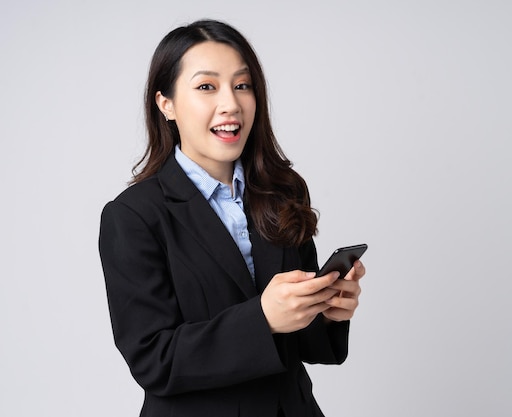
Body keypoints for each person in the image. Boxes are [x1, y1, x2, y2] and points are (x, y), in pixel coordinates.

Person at [98, 18, 365, 417]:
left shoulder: (283, 191)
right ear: (165, 103)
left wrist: (326, 311)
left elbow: (301, 345)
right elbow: (154, 360)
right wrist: (262, 318)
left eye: (242, 85)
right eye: (207, 87)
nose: (231, 103)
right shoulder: (133, 216)